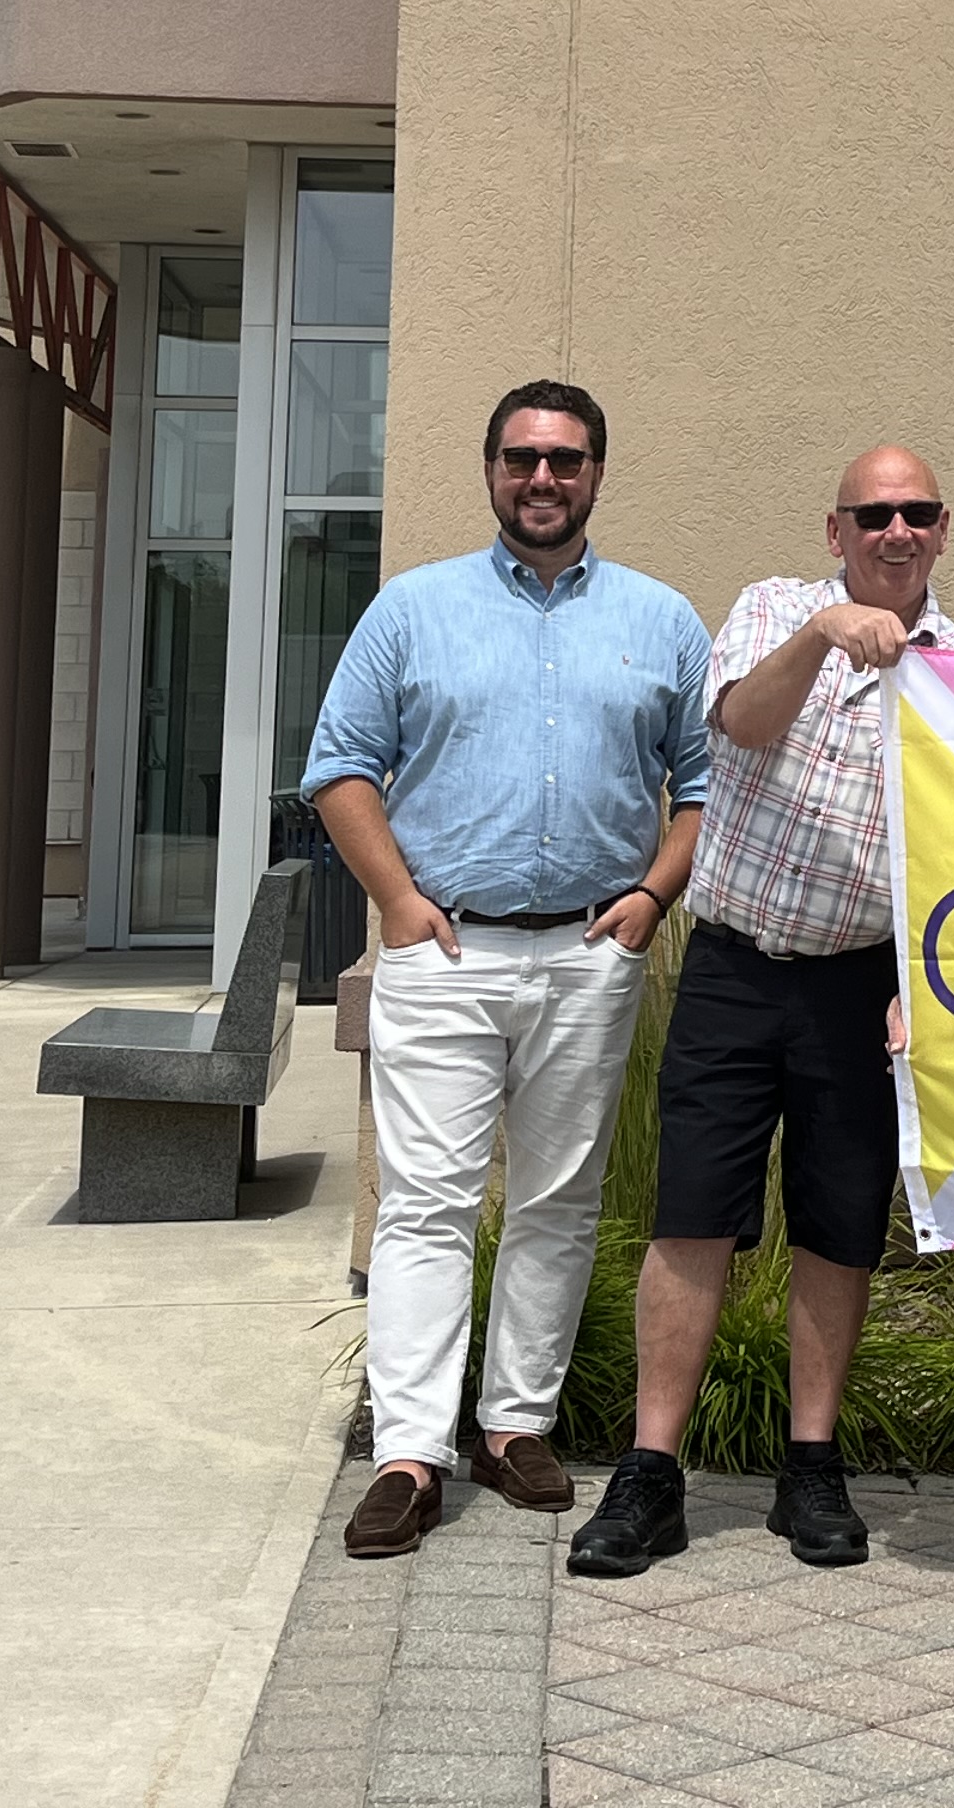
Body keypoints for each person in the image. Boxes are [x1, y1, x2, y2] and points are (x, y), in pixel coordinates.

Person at [306, 381, 713, 1561]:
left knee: (556, 1201)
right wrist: (397, 901)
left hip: (591, 952)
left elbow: (701, 786)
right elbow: (340, 768)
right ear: (490, 469)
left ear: (597, 474)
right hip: (444, 951)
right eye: (524, 458)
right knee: (427, 1206)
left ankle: (517, 1424)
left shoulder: (661, 620)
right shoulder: (411, 611)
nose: (545, 479)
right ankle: (410, 1453)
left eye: (568, 460)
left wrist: (649, 899)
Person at [568, 445, 954, 1580]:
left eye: (917, 514)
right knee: (693, 1214)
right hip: (737, 968)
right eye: (874, 514)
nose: (897, 531)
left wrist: (923, 988)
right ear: (834, 530)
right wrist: (824, 632)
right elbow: (742, 723)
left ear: (944, 531)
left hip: (862, 985)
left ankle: (812, 1465)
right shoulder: (771, 608)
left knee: (840, 1225)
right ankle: (652, 1472)